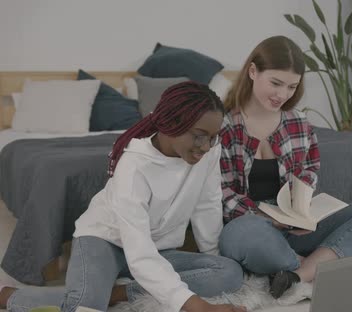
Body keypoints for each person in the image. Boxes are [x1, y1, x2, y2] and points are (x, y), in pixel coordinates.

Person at [0, 82, 246, 312]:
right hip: (104, 241)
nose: (206, 146)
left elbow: (207, 204)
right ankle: (14, 297)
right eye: (199, 135)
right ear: (172, 123)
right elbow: (140, 255)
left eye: (213, 137)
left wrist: (211, 257)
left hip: (156, 247)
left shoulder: (211, 152)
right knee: (87, 306)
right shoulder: (133, 165)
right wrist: (199, 307)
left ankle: (117, 293)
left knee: (229, 273)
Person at [217, 35, 352, 299]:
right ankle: (316, 264)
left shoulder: (298, 123)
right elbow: (223, 194)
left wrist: (301, 211)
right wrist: (268, 219)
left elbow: (308, 172)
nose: (282, 95)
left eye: (291, 87)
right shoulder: (224, 126)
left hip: (294, 227)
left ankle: (295, 276)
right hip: (252, 228)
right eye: (275, 83)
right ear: (253, 71)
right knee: (247, 234)